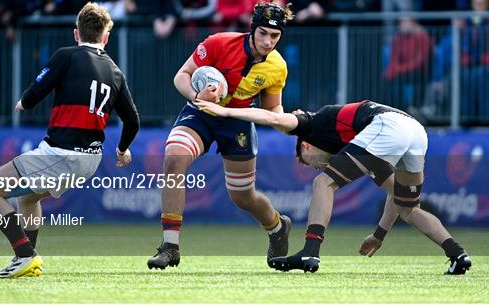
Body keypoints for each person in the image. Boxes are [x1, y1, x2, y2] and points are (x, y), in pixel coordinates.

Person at [195, 99, 472, 275]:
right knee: (409, 207)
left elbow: (276, 119)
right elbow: (394, 196)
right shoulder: (361, 146)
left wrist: (225, 111)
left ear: (304, 145)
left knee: (323, 183)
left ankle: (310, 253)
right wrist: (379, 234)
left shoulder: (312, 124)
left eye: (307, 160)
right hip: (414, 131)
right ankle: (458, 254)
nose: (312, 164)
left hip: (389, 125)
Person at [0, 2, 140, 278]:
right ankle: (26, 262)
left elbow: (34, 94)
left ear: (75, 33)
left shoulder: (67, 55)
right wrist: (123, 149)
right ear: (106, 37)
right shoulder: (115, 72)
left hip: (60, 153)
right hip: (90, 160)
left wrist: (24, 102)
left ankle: (26, 255)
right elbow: (133, 120)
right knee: (28, 199)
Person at [147, 0, 294, 270]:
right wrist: (197, 97)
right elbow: (181, 75)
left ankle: (277, 227)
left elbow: (273, 108)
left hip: (237, 120)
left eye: (275, 36)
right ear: (252, 30)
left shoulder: (278, 67)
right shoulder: (218, 42)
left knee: (242, 196)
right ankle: (170, 246)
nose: (268, 41)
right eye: (263, 33)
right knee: (174, 158)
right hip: (201, 112)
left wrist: (286, 121)